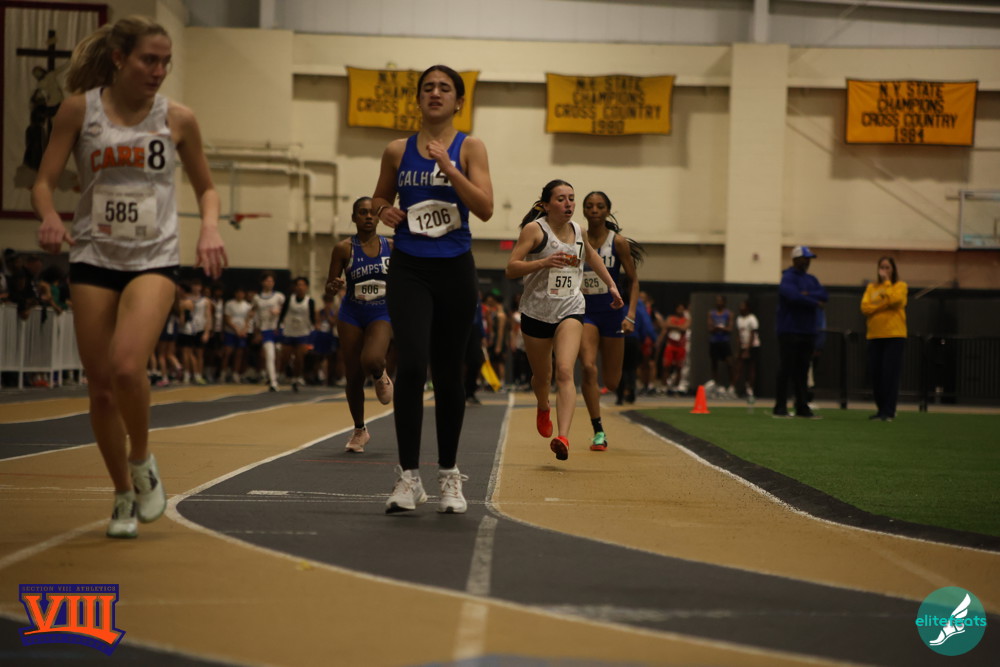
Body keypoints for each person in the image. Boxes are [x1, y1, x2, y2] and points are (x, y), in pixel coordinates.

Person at [33, 16, 227, 538]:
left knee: (125, 367)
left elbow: (207, 188)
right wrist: (49, 216)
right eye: (149, 60)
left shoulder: (178, 118)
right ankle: (122, 493)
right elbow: (44, 181)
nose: (159, 71)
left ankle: (141, 460)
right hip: (93, 256)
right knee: (100, 391)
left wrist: (210, 228)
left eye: (166, 62)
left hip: (153, 258)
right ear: (119, 58)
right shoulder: (79, 110)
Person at [370, 64, 493, 514]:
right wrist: (383, 211)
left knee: (447, 372)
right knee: (411, 363)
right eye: (428, 88)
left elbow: (485, 208)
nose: (435, 93)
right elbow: (379, 198)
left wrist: (449, 168)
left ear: (459, 100)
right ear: (419, 99)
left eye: (444, 88)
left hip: (455, 268)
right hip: (410, 267)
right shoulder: (397, 150)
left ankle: (449, 476)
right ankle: (408, 477)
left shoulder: (470, 147)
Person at [505, 179, 622, 461]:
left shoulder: (579, 231)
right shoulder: (535, 230)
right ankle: (543, 405)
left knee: (566, 371)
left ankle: (563, 437)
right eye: (561, 199)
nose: (568, 204)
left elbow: (592, 257)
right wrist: (543, 262)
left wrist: (612, 286)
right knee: (542, 377)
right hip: (536, 312)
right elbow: (511, 268)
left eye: (571, 198)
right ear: (546, 205)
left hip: (570, 307)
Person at [325, 196, 393, 453]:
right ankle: (359, 430)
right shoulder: (343, 249)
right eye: (362, 212)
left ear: (378, 218)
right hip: (352, 313)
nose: (368, 216)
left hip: (381, 311)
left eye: (372, 212)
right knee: (353, 376)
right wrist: (334, 285)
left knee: (372, 359)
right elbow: (329, 287)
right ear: (354, 217)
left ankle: (380, 373)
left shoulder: (391, 246)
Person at [577, 191, 642, 451]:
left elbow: (634, 281)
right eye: (589, 206)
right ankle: (598, 430)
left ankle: (611, 392)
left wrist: (631, 315)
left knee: (612, 382)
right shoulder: (576, 237)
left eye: (600, 206)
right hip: (585, 312)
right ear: (584, 210)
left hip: (613, 313)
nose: (594, 210)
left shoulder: (618, 243)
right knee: (588, 367)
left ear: (607, 210)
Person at [774, 246, 827, 419]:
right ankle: (780, 407)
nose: (808, 262)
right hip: (789, 330)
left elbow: (824, 294)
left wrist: (806, 294)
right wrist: (814, 301)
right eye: (805, 258)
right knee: (786, 369)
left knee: (803, 371)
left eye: (809, 259)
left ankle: (802, 407)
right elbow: (793, 297)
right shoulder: (788, 277)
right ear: (796, 259)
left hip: (807, 331)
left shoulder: (811, 279)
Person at [861, 256, 908, 422]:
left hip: (894, 335)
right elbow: (865, 308)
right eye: (882, 267)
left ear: (893, 269)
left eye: (888, 267)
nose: (884, 270)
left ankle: (889, 411)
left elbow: (896, 301)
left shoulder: (900, 286)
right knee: (876, 374)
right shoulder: (871, 287)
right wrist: (884, 304)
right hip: (875, 335)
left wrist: (887, 283)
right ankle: (880, 409)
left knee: (890, 374)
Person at [277, 276, 316, 392]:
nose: (300, 287)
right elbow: (282, 314)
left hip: (303, 332)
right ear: (294, 287)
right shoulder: (289, 299)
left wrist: (313, 329)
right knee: (285, 356)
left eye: (302, 285)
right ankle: (281, 374)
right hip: (289, 332)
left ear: (306, 287)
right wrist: (278, 326)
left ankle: (296, 377)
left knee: (299, 357)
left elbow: (313, 318)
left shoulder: (310, 301)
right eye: (298, 285)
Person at [251, 270, 284, 391]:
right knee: (269, 355)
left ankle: (279, 374)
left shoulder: (279, 296)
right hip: (265, 330)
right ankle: (273, 381)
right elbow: (253, 313)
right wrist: (256, 331)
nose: (269, 283)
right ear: (262, 282)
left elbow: (286, 310)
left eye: (271, 281)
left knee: (279, 354)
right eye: (267, 281)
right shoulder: (257, 298)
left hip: (278, 328)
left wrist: (279, 311)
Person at [706, 295, 736, 398]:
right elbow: (710, 328)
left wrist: (721, 328)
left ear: (724, 302)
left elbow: (730, 328)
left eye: (720, 301)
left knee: (730, 363)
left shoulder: (728, 313)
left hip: (724, 342)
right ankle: (715, 386)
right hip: (714, 342)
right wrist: (718, 328)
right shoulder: (711, 313)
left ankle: (732, 387)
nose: (718, 302)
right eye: (717, 301)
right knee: (714, 364)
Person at [220, 285, 251, 383]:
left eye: (242, 293)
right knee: (227, 353)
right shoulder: (230, 304)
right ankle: (223, 373)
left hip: (241, 333)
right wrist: (236, 329)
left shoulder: (247, 306)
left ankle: (235, 373)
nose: (240, 295)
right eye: (238, 293)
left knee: (239, 354)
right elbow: (227, 319)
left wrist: (244, 330)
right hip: (230, 332)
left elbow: (248, 319)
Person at [734, 300, 760, 402]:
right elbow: (739, 335)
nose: (741, 308)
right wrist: (739, 349)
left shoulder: (752, 319)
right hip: (743, 346)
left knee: (751, 368)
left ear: (748, 308)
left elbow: (753, 335)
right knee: (740, 367)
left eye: (743, 306)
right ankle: (737, 389)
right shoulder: (739, 319)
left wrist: (748, 350)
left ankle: (750, 390)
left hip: (753, 346)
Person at [660, 302, 690, 394]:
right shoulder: (670, 318)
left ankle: (676, 387)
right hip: (670, 346)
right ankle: (664, 386)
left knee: (679, 368)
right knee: (666, 366)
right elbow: (667, 325)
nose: (680, 310)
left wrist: (673, 326)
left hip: (680, 346)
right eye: (679, 308)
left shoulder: (686, 320)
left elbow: (684, 328)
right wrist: (678, 327)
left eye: (682, 309)